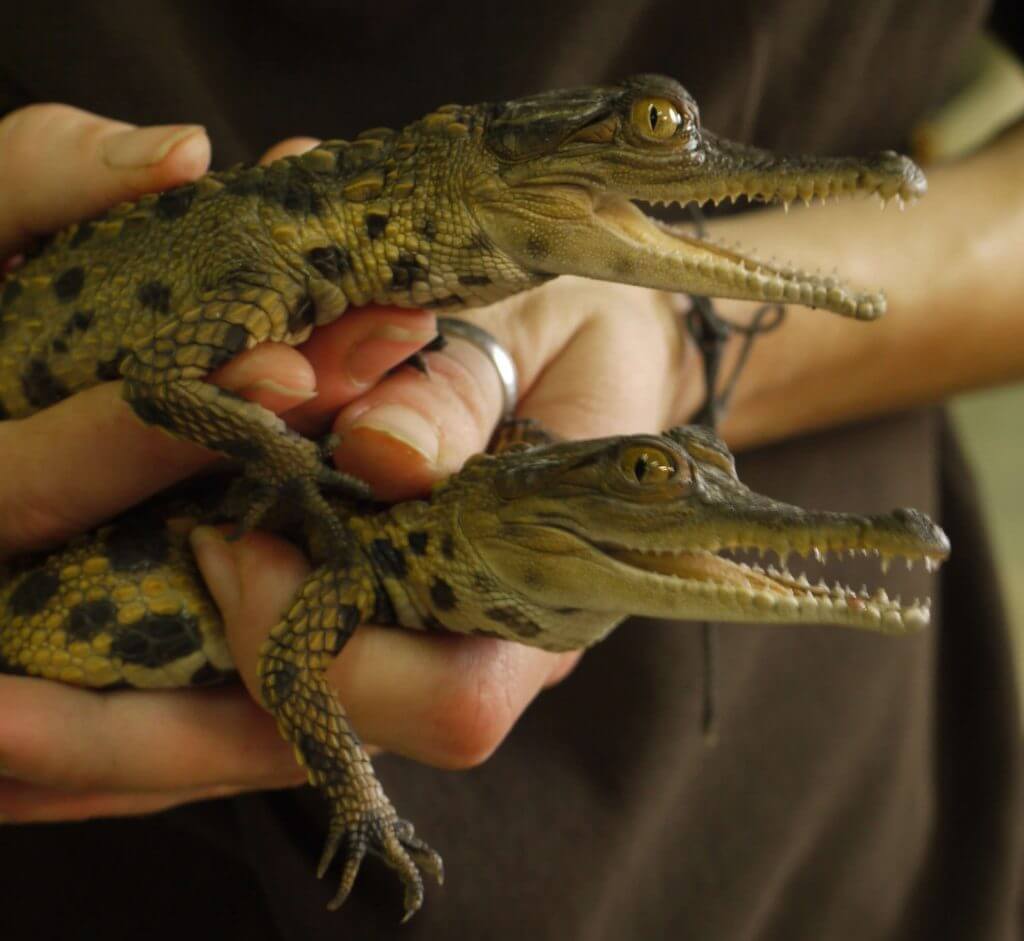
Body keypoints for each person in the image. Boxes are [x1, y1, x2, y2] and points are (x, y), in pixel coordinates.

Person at [0, 2, 1021, 938]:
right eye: (658, 131)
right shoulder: (276, 272)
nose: (696, 157)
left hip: (786, 831)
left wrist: (678, 340)